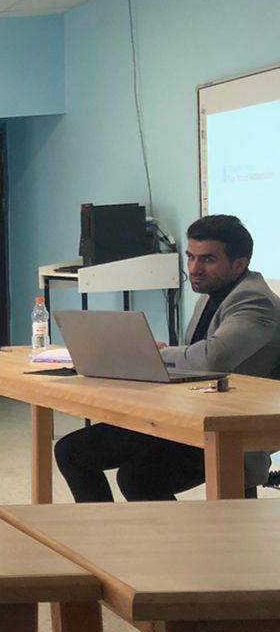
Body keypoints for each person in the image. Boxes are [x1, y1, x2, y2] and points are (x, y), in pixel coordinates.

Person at [55, 214, 280, 501]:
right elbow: (197, 356)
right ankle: (104, 529)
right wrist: (150, 356)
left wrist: (156, 354)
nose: (194, 269)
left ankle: (175, 534)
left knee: (138, 477)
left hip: (230, 428)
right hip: (194, 414)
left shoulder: (254, 300)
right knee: (73, 452)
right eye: (191, 257)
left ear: (239, 264)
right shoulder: (211, 295)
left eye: (208, 260)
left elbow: (212, 359)